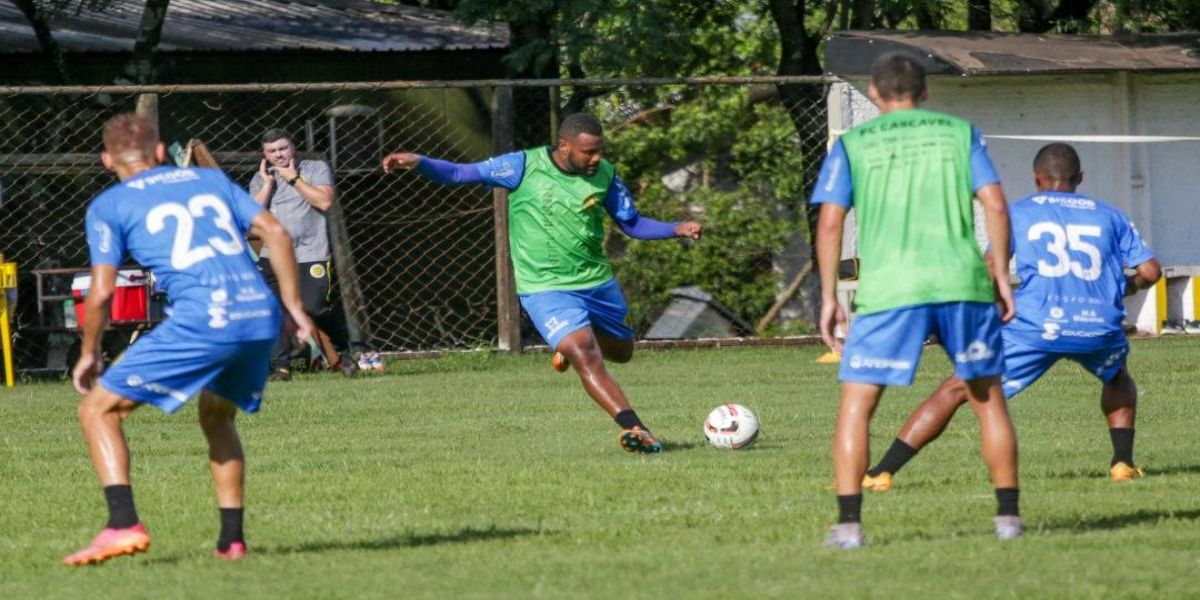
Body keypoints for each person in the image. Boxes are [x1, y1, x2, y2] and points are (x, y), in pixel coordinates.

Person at [64, 113, 314, 565]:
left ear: (106, 160)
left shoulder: (108, 205)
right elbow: (275, 232)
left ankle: (122, 525)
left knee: (97, 409)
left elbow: (101, 292)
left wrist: (88, 354)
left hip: (206, 315)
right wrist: (293, 308)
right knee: (217, 417)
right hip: (258, 313)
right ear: (160, 153)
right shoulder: (208, 181)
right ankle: (231, 543)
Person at [381, 113, 702, 453]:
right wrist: (418, 162)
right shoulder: (522, 166)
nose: (596, 159)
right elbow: (461, 173)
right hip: (544, 287)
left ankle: (567, 346)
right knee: (586, 355)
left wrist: (675, 228)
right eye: (588, 152)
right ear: (564, 147)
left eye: (599, 151)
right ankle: (637, 429)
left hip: (596, 282)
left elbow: (632, 223)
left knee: (622, 353)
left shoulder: (605, 175)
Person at [863, 143, 1162, 490]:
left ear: (1037, 179)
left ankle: (881, 472)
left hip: (1035, 326)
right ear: (1080, 178)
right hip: (1098, 326)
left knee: (956, 389)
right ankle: (1122, 462)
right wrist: (1127, 287)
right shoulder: (1110, 215)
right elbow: (1151, 271)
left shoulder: (1018, 213)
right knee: (1117, 378)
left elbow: (991, 270)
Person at [813, 53, 1021, 548]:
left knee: (857, 406)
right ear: (926, 93)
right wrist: (1003, 276)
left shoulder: (854, 143)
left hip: (891, 291)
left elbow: (829, 222)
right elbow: (994, 203)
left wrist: (829, 297)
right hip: (962, 284)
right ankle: (1008, 521)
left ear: (875, 95)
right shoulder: (960, 133)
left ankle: (848, 527)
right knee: (987, 401)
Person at [249, 128, 369, 378]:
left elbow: (324, 201)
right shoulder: (261, 178)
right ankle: (281, 365)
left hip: (310, 253)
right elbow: (251, 219)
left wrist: (293, 179)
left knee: (314, 307)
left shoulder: (314, 169)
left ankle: (348, 349)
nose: (278, 154)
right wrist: (269, 184)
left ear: (293, 148)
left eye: (283, 148)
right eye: (272, 151)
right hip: (274, 254)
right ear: (264, 154)